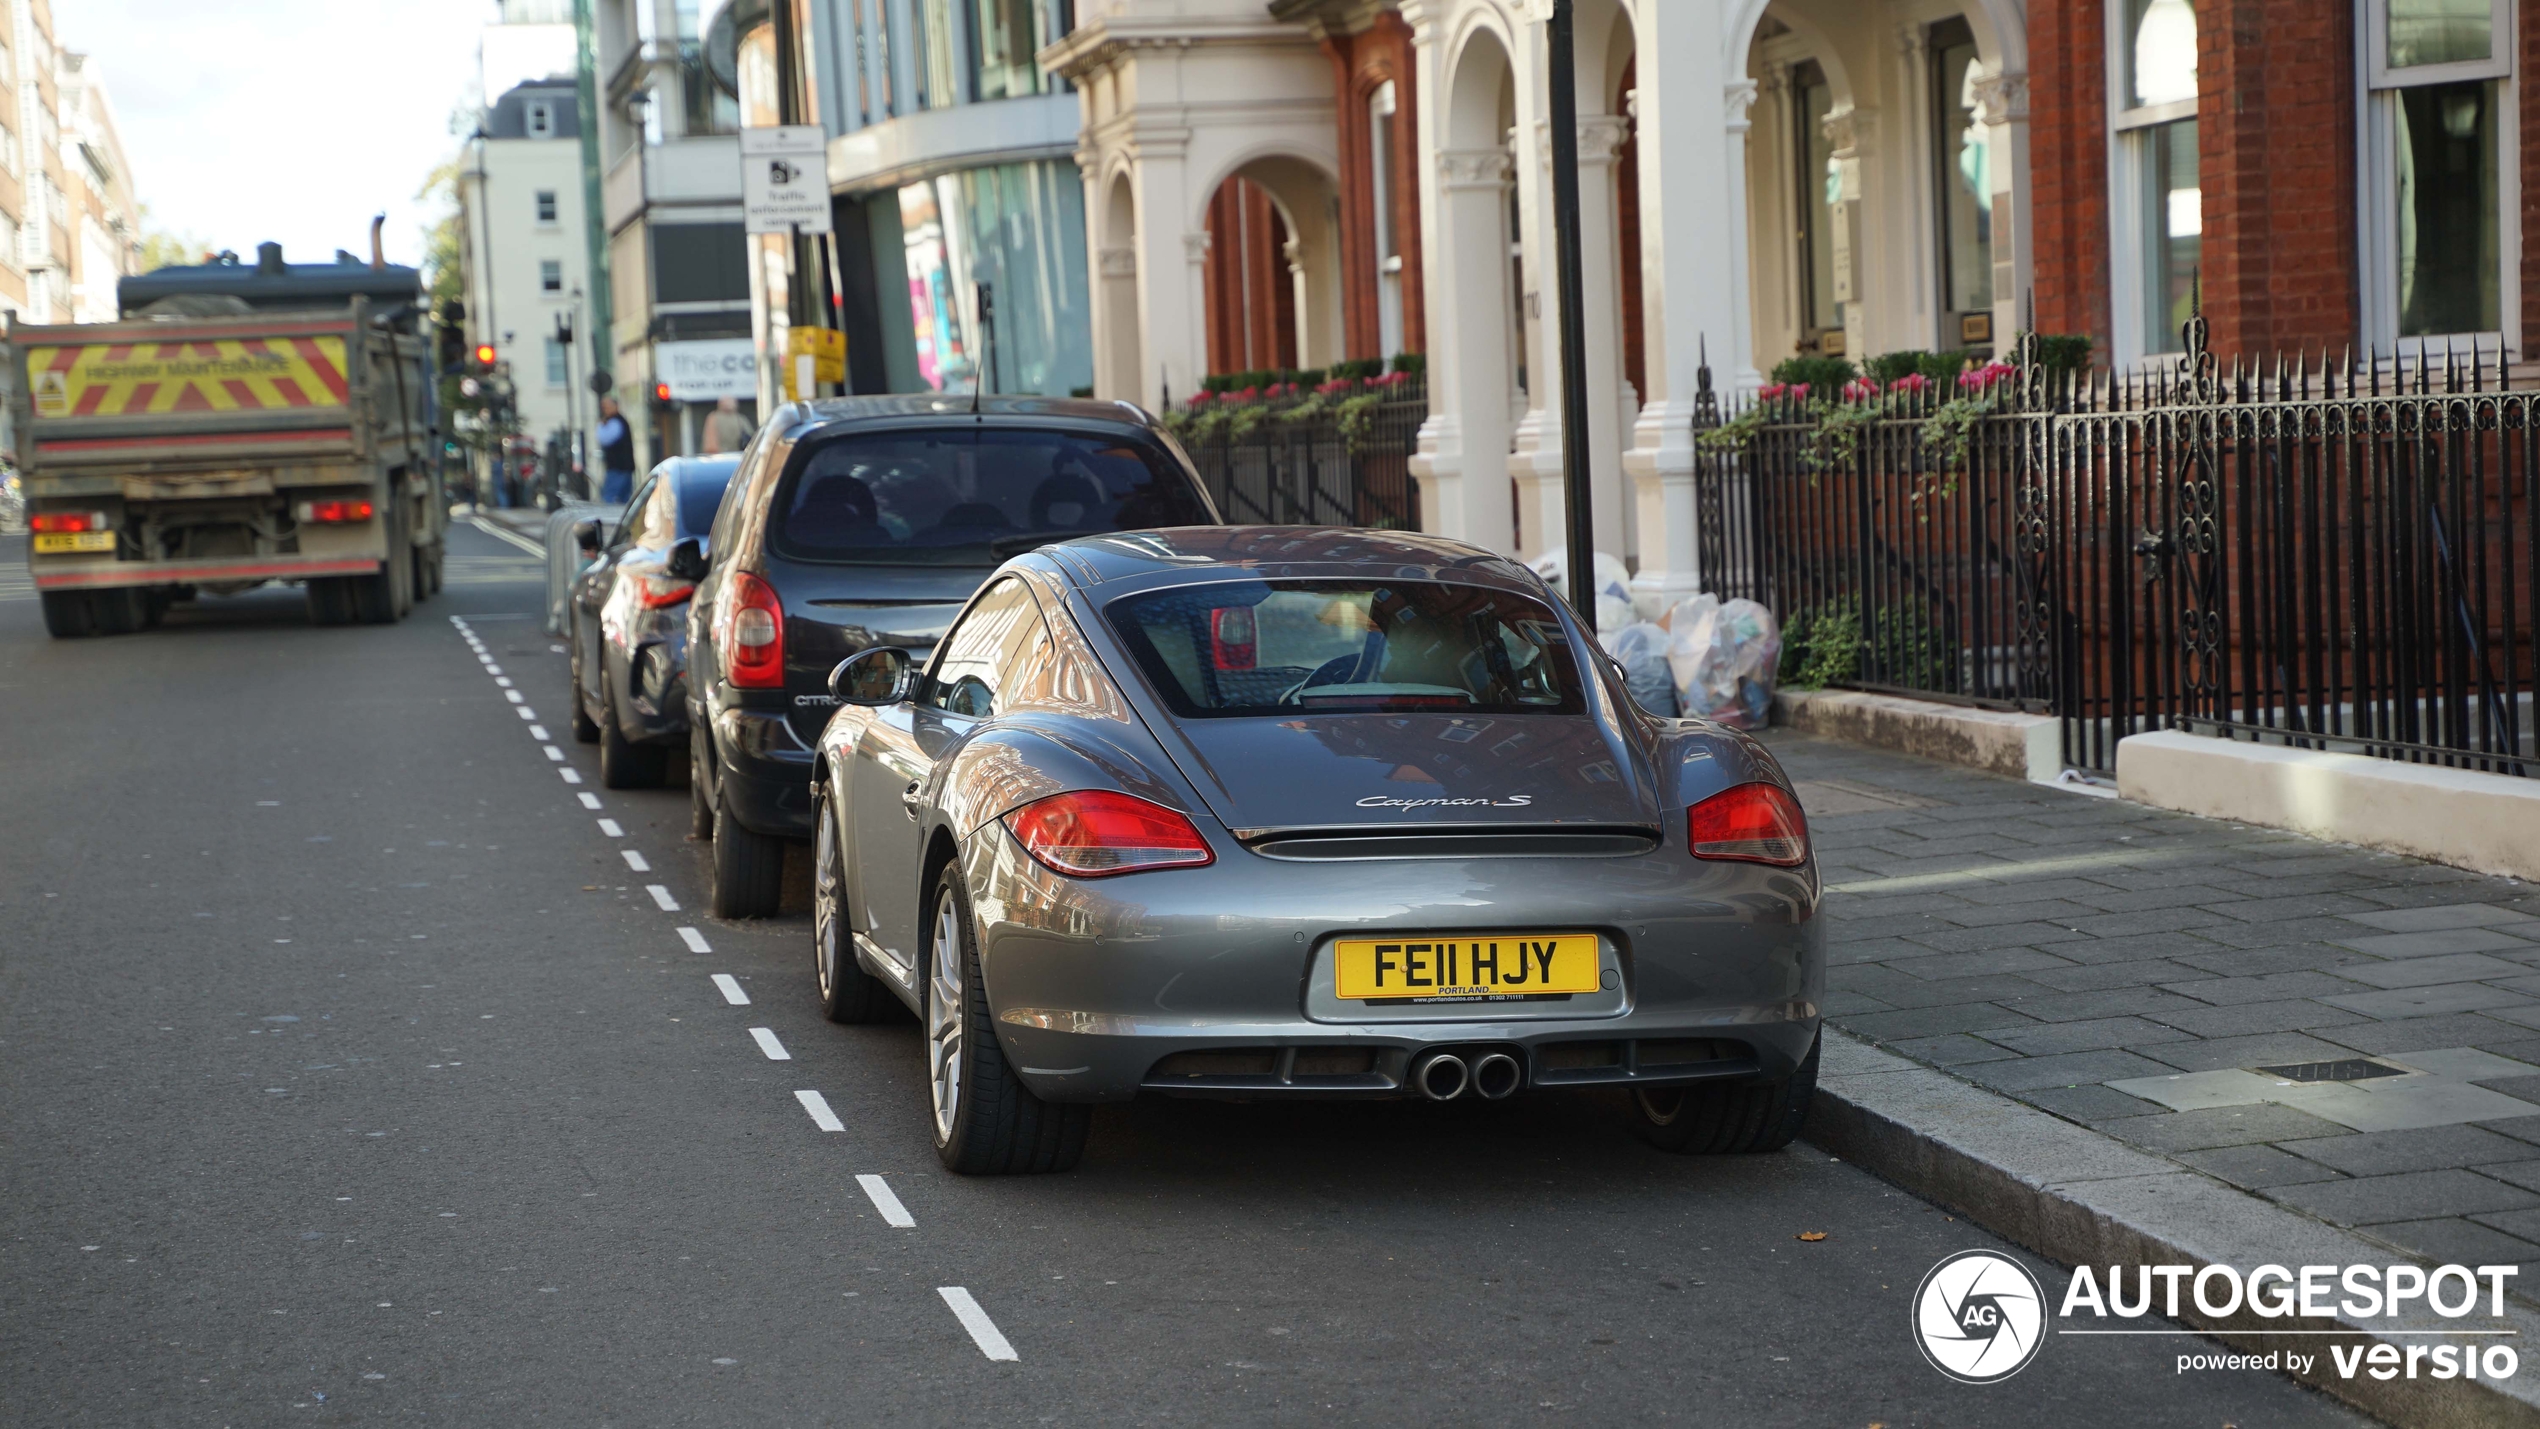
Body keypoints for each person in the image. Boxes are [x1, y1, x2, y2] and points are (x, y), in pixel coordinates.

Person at [595, 396, 636, 504]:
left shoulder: (615, 422)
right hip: (625, 467)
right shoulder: (621, 421)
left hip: (617, 468)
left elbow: (604, 439)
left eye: (607, 407)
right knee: (625, 500)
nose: (605, 410)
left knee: (609, 497)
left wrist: (600, 425)